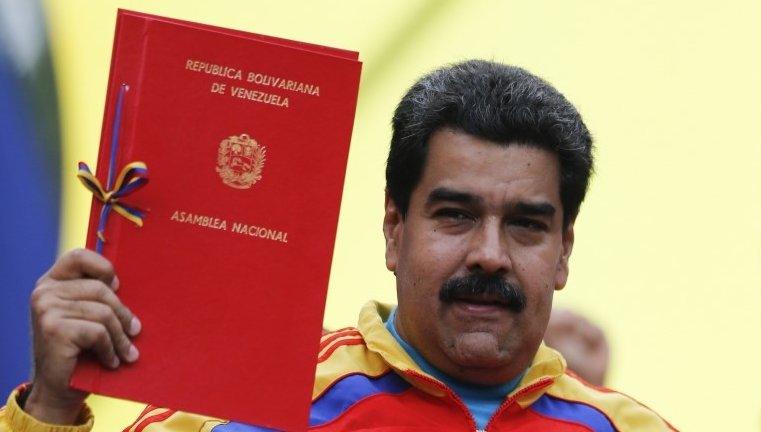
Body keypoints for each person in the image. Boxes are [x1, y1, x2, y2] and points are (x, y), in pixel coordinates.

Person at [0, 60, 675, 431]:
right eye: (455, 215)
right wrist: (53, 408)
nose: (490, 255)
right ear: (393, 229)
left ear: (563, 252)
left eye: (526, 225)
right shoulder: (255, 413)